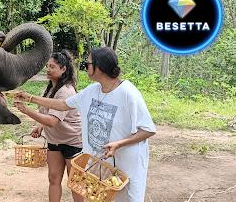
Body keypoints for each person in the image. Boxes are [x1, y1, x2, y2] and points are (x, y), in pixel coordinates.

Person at [15, 47, 156, 202]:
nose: (85, 67)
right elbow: (63, 104)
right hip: (103, 164)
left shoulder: (128, 93)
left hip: (127, 166)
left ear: (100, 67)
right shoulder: (93, 90)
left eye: (88, 64)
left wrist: (119, 144)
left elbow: (148, 130)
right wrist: (30, 98)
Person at [14, 50, 84, 202]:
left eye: (52, 66)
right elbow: (48, 113)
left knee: (75, 184)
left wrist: (26, 110)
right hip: (55, 142)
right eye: (47, 66)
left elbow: (52, 121)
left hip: (73, 142)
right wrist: (40, 126)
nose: (48, 69)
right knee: (53, 179)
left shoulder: (65, 92)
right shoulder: (51, 89)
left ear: (63, 69)